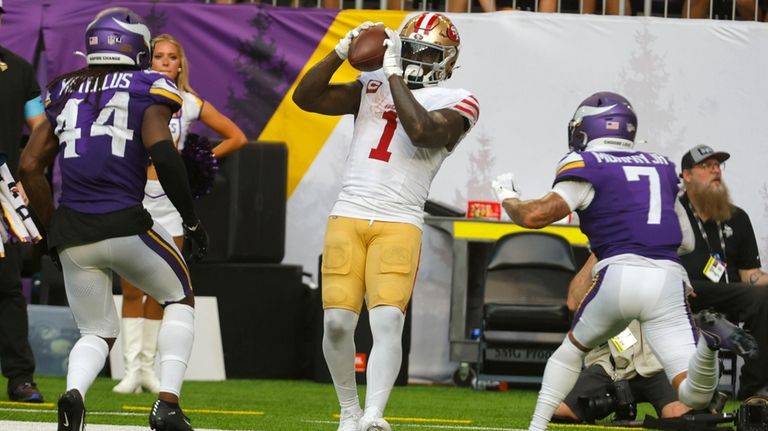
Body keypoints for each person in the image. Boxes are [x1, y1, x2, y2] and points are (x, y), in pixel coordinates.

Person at [489, 91, 756, 431]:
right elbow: (685, 241)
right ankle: (709, 343)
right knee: (693, 395)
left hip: (619, 276)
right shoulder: (660, 167)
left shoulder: (586, 165)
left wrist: (509, 196)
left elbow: (534, 216)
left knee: (569, 352)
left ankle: (536, 428)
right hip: (667, 280)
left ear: (586, 128)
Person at [19, 7, 208, 431]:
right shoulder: (150, 85)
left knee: (97, 331)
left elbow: (30, 165)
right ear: (137, 47)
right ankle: (167, 405)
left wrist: (52, 230)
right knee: (179, 297)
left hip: (73, 228)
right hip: (125, 223)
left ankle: (75, 394)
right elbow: (163, 151)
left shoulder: (64, 87)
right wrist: (191, 221)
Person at [293, 12, 479, 431]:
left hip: (399, 219)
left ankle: (375, 414)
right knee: (338, 324)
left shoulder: (460, 101)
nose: (415, 57)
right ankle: (348, 411)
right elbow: (305, 98)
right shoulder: (369, 86)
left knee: (387, 319)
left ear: (447, 61)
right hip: (349, 212)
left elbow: (421, 130)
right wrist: (340, 52)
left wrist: (393, 73)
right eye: (409, 47)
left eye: (426, 52)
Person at [112, 32, 247, 395]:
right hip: (136, 196)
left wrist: (196, 162)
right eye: (159, 56)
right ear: (148, 60)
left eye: (173, 57)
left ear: (180, 64)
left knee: (162, 284)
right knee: (130, 287)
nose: (166, 62)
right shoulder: (134, 98)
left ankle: (150, 369)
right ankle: (132, 370)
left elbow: (236, 136)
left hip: (171, 202)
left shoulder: (188, 102)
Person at [554, 254, 695, 423]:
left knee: (677, 415)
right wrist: (599, 251)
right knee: (560, 410)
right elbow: (573, 302)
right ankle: (618, 403)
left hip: (656, 364)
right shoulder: (602, 256)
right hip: (610, 365)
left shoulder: (660, 255)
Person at [678, 144, 768, 400]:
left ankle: (755, 391)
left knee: (763, 297)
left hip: (727, 294)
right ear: (687, 175)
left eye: (718, 166)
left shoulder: (737, 217)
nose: (715, 171)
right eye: (706, 166)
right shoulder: (671, 213)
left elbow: (751, 276)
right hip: (685, 291)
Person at [0, 0, 46, 404]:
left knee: (7, 287)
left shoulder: (16, 68)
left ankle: (19, 378)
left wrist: (28, 169)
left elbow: (40, 125)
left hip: (0, 192)